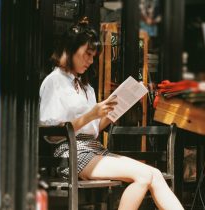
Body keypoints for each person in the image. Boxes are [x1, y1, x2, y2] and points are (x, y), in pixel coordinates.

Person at [39, 17, 184, 210]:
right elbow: (50, 133)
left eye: (93, 56)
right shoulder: (54, 81)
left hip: (93, 148)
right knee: (142, 176)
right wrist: (91, 114)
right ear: (70, 51)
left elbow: (95, 129)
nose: (90, 61)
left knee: (155, 174)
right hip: (70, 152)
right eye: (87, 54)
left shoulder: (86, 87)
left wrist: (113, 111)